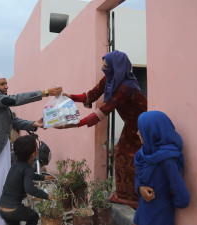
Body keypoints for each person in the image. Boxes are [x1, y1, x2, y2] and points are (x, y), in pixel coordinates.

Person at [57, 50, 147, 209]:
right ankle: (124, 195)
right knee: (121, 154)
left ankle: (138, 196)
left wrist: (75, 124)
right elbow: (91, 95)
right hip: (130, 124)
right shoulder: (110, 79)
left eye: (106, 66)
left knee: (135, 158)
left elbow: (103, 111)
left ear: (116, 67)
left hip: (143, 126)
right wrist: (68, 96)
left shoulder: (125, 87)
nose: (103, 68)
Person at [0, 72, 62, 225]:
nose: (6, 86)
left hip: (0, 151)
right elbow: (15, 99)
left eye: (6, 83)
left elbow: (13, 121)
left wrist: (33, 124)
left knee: (0, 190)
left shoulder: (1, 105)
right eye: (2, 84)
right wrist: (45, 93)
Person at [133, 111, 190, 225]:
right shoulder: (143, 154)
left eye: (141, 129)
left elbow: (183, 198)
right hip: (142, 212)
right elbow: (139, 177)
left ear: (152, 132)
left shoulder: (167, 160)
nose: (138, 133)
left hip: (160, 217)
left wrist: (163, 200)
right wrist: (140, 188)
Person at [0, 135, 54, 225]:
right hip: (14, 210)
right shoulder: (28, 168)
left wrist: (42, 177)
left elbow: (26, 175)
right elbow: (29, 188)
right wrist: (47, 196)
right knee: (33, 217)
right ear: (33, 154)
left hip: (2, 207)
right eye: (36, 147)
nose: (37, 149)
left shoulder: (16, 164)